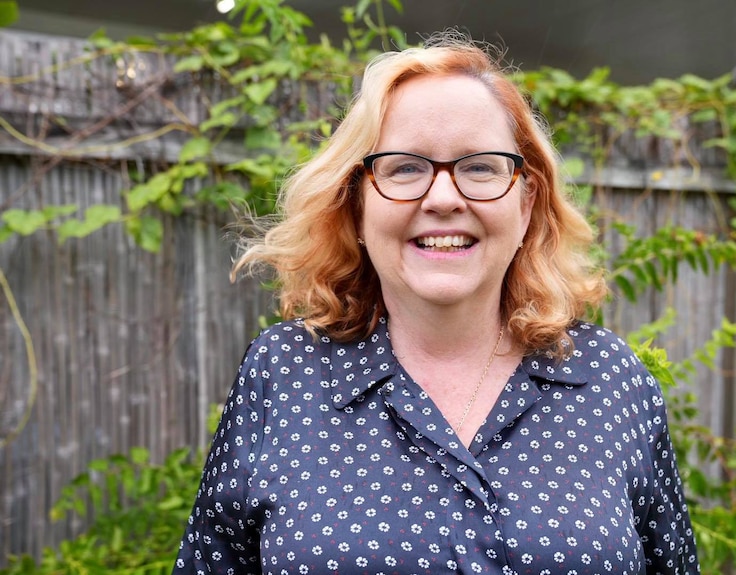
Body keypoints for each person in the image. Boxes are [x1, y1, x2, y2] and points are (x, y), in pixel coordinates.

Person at [173, 31, 699, 575]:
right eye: (404, 167)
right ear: (356, 204)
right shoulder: (282, 372)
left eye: (479, 167)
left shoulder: (610, 379)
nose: (444, 198)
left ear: (526, 203)